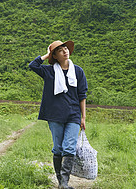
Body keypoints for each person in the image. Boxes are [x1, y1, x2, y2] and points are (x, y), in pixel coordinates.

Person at [29, 40, 88, 189]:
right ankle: (60, 181)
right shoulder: (49, 71)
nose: (65, 51)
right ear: (55, 55)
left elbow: (82, 95)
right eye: (60, 50)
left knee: (69, 148)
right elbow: (33, 65)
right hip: (55, 115)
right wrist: (47, 55)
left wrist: (83, 117)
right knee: (58, 148)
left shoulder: (78, 71)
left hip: (73, 115)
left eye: (66, 48)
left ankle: (64, 183)